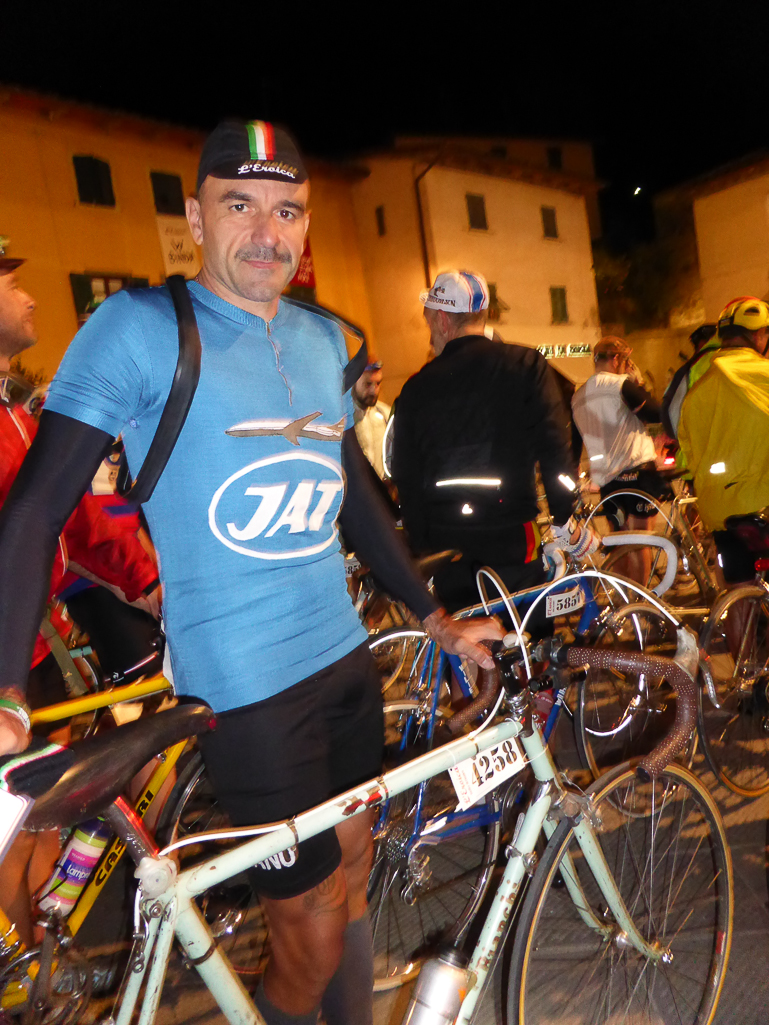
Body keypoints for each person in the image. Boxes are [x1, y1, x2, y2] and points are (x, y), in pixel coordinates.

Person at [0, 123, 502, 1025]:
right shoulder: (140, 329)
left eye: (287, 210)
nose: (268, 233)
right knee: (308, 932)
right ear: (196, 219)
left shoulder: (322, 337)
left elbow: (352, 491)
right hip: (245, 688)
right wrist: (6, 689)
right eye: (240, 205)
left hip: (344, 661)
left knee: (353, 875)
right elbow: (34, 511)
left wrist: (432, 615)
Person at [0, 242, 161, 946]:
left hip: (35, 648)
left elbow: (78, 520)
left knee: (40, 822)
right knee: (17, 836)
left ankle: (36, 957)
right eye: (10, 283)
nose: (29, 296)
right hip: (14, 659)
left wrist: (147, 583)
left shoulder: (13, 412)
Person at [392, 269, 597, 615]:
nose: (430, 334)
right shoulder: (526, 365)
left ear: (443, 320)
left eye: (429, 322)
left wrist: (420, 545)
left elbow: (407, 475)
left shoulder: (415, 388)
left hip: (447, 546)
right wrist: (564, 517)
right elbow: (554, 444)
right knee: (525, 633)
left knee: (465, 637)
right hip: (513, 536)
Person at [678, 296, 769, 585]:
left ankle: (736, 614)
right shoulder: (765, 375)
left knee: (737, 584)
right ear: (758, 335)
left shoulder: (700, 386)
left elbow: (687, 449)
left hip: (720, 509)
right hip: (762, 504)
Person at [572, 335, 669, 582]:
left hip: (607, 480)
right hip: (638, 472)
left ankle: (624, 599)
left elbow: (574, 443)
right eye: (626, 361)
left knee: (619, 540)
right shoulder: (621, 385)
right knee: (640, 541)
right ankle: (642, 599)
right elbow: (656, 413)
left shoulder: (578, 396)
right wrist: (640, 384)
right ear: (616, 359)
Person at [352, 359, 390, 480]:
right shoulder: (342, 419)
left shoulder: (385, 413)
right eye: (368, 384)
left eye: (378, 383)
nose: (374, 391)